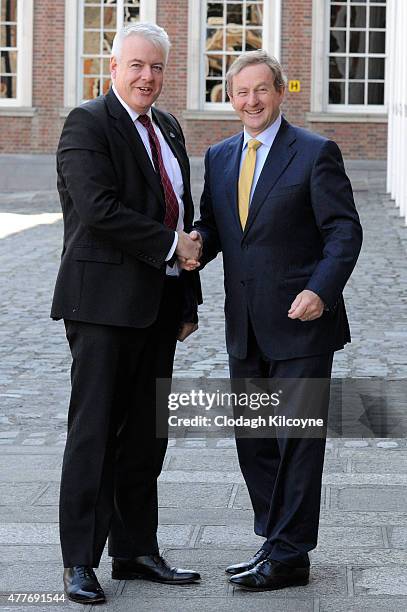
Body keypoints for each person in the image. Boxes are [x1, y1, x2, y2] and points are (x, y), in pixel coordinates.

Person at [190, 50, 363, 591]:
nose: (251, 101)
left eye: (261, 90)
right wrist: (190, 248)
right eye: (241, 92)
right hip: (244, 325)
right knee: (254, 440)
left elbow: (344, 232)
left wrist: (320, 290)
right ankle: (277, 542)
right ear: (230, 97)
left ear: (281, 92)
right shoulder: (219, 157)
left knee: (297, 441)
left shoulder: (314, 153)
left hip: (301, 324)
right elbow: (214, 229)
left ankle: (288, 554)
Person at [51, 23, 202, 604]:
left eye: (157, 68)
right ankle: (80, 561)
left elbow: (180, 209)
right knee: (93, 434)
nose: (147, 77)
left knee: (146, 437)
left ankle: (136, 550)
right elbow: (98, 209)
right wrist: (172, 248)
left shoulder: (166, 126)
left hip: (159, 307)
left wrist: (186, 297)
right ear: (112, 67)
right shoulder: (87, 123)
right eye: (137, 65)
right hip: (102, 309)